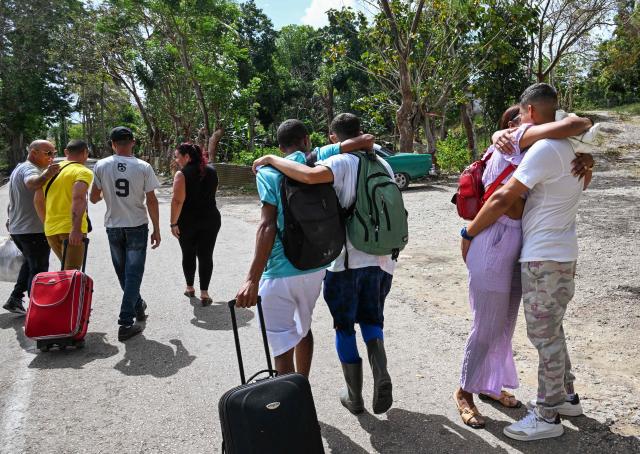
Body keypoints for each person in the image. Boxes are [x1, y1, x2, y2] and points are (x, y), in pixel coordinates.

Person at [461, 83, 590, 441]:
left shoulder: (545, 149)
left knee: (543, 335)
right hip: (564, 254)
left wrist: (468, 234)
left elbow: (504, 196)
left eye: (519, 116)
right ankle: (566, 396)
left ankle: (547, 416)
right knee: (554, 328)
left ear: (530, 113)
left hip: (541, 257)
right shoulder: (569, 152)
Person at [251, 113, 396, 415]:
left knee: (341, 327)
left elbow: (304, 181)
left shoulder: (332, 163)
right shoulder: (383, 163)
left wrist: (272, 160)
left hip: (341, 260)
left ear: (333, 137)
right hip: (381, 258)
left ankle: (349, 397)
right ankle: (379, 370)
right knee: (369, 320)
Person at [235, 119, 374, 378]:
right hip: (315, 267)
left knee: (282, 347)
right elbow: (365, 140)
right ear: (306, 140)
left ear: (279, 147)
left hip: (279, 271)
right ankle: (303, 388)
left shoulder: (268, 172)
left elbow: (267, 226)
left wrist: (251, 279)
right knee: (303, 329)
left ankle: (292, 405)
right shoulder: (317, 156)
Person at [90, 127, 161, 341]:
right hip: (137, 225)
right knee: (133, 275)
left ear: (112, 144)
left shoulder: (101, 165)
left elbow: (93, 198)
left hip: (113, 226)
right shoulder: (143, 167)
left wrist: (108, 195)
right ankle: (126, 321)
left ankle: (137, 307)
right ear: (133, 142)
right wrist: (157, 228)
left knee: (124, 274)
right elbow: (151, 200)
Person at [3, 140, 60, 314]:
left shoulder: (19, 168)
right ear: (34, 153)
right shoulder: (30, 169)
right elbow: (32, 183)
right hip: (32, 230)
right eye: (48, 153)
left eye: (53, 153)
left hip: (19, 228)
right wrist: (47, 175)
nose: (52, 157)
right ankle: (39, 310)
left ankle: (15, 298)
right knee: (39, 270)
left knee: (30, 262)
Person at [170, 143, 221, 306]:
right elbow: (213, 192)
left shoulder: (182, 174)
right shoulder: (212, 171)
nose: (177, 160)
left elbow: (178, 201)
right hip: (211, 219)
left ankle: (190, 287)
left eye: (178, 156)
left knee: (188, 253)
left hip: (188, 221)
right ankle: (204, 293)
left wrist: (173, 223)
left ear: (187, 157)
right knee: (206, 255)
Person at [34, 139, 92, 270]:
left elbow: (38, 201)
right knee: (72, 274)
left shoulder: (49, 171)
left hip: (51, 230)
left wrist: (47, 223)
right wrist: (76, 229)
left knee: (66, 272)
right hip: (71, 230)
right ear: (85, 153)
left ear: (66, 152)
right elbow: (78, 198)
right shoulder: (82, 171)